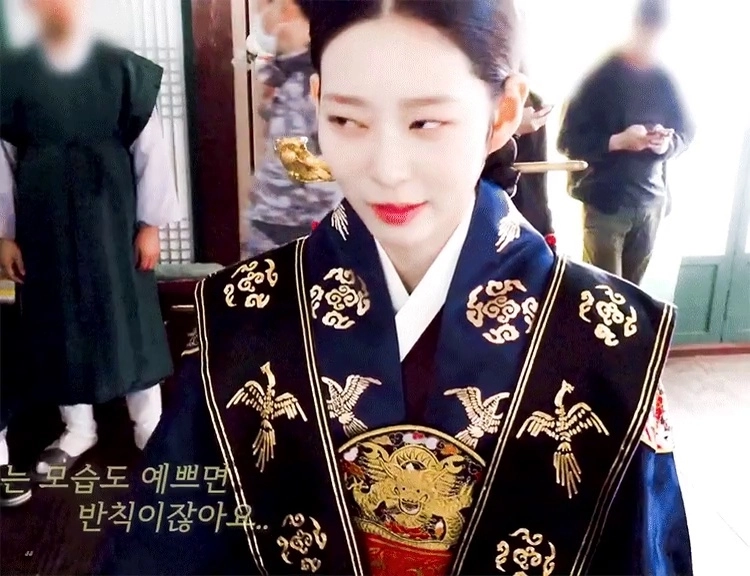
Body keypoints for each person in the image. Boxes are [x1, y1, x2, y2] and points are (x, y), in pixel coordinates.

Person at [97, 1, 692, 574]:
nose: (385, 169)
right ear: (317, 102)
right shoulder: (242, 315)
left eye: (425, 121)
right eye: (347, 120)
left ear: (503, 113)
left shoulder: (607, 339)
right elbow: (167, 542)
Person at [0, 0, 180, 483]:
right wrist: (5, 233)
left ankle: (150, 425)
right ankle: (78, 428)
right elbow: (3, 160)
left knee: (129, 316)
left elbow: (151, 151)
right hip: (44, 222)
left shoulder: (123, 69)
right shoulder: (12, 76)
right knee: (61, 320)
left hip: (114, 220)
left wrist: (151, 224)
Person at [557, 0, 694, 285]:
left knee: (633, 296)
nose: (651, 46)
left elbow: (686, 131)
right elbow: (567, 140)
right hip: (606, 204)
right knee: (603, 293)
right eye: (647, 35)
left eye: (658, 38)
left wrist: (665, 144)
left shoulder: (664, 80)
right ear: (634, 28)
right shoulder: (599, 78)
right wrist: (618, 141)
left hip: (651, 203)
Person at [243, 0, 341, 258]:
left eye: (264, 7)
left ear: (287, 9)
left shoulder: (311, 80)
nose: (261, 17)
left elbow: (305, 161)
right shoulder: (288, 72)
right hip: (279, 221)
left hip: (296, 226)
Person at [483, 90, 556, 242]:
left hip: (528, 225)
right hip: (489, 223)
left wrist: (546, 228)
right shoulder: (476, 98)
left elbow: (537, 182)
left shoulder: (531, 102)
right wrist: (512, 129)